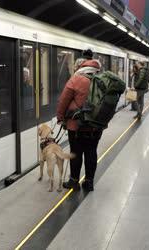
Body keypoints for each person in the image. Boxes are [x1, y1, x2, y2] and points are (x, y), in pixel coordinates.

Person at [57, 59, 102, 191]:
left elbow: (63, 101)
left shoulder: (77, 79)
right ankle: (89, 182)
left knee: (76, 152)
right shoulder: (101, 78)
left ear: (81, 67)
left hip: (77, 125)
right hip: (96, 125)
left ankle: (74, 181)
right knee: (91, 152)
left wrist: (60, 117)